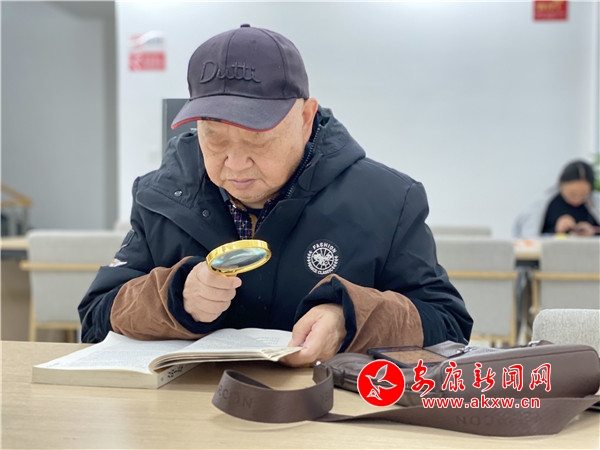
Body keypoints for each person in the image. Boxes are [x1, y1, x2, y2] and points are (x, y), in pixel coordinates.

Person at [79, 25, 472, 367]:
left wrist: (351, 320)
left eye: (257, 138)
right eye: (214, 137)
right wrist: (174, 298)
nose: (235, 163)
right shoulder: (161, 196)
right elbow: (96, 317)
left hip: (327, 413)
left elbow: (447, 323)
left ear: (305, 118)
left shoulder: (388, 200)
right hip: (183, 414)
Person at [513, 160, 600, 238]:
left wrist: (593, 233)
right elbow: (527, 238)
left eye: (584, 194)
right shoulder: (542, 205)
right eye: (572, 194)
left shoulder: (596, 204)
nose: (577, 199)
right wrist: (557, 231)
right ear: (561, 184)